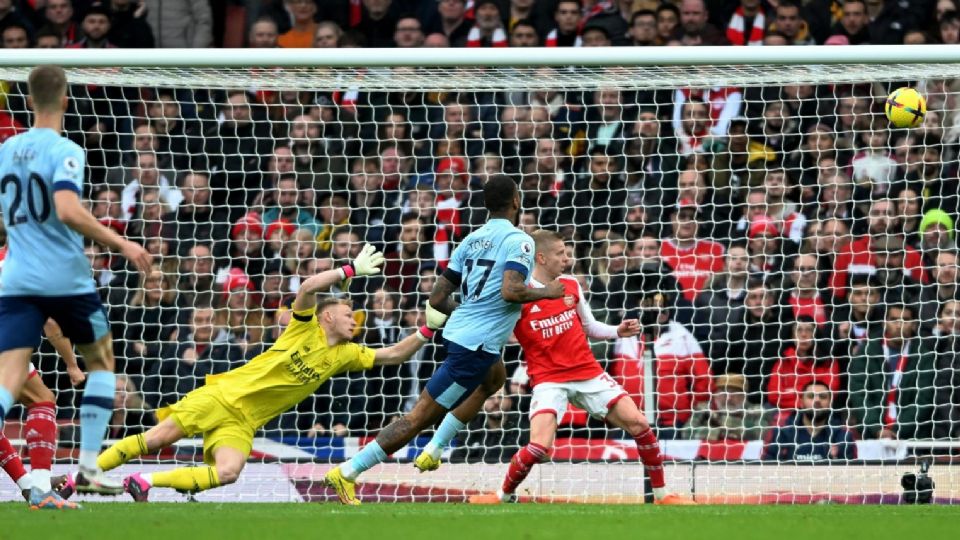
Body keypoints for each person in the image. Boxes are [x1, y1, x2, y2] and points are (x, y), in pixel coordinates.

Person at [74, 244, 437, 502]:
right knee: (156, 439)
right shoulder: (303, 326)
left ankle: (144, 480)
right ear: (328, 316)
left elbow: (392, 355)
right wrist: (350, 270)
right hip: (222, 397)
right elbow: (309, 286)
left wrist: (426, 330)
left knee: (228, 472)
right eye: (347, 315)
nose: (352, 320)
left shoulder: (346, 354)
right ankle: (78, 479)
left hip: (245, 421)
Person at [325, 175, 564, 505]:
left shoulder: (469, 241)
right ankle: (348, 471)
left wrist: (468, 313)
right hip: (473, 347)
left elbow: (437, 298)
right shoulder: (519, 241)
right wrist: (548, 291)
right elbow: (512, 290)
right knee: (417, 417)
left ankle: (434, 449)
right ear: (516, 201)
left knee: (495, 378)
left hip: (466, 337)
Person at [446, 230, 693, 505]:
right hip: (549, 380)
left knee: (640, 424)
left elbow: (589, 326)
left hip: (588, 372)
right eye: (560, 253)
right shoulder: (517, 296)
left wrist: (617, 331)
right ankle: (501, 496)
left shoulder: (571, 285)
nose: (567, 257)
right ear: (541, 258)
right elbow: (498, 332)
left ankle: (661, 496)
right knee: (539, 446)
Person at [0, 65, 152, 508]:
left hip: (16, 276)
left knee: (12, 377)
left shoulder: (7, 149)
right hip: (63, 274)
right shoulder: (66, 148)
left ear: (29, 101)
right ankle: (87, 468)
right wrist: (121, 241)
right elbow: (67, 209)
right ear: (66, 100)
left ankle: (39, 488)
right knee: (102, 361)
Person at [763, 381, 856, 462]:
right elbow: (767, 470)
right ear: (801, 402)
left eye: (823, 397)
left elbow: (851, 475)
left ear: (830, 403)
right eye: (811, 396)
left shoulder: (843, 436)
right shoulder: (781, 433)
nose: (817, 400)